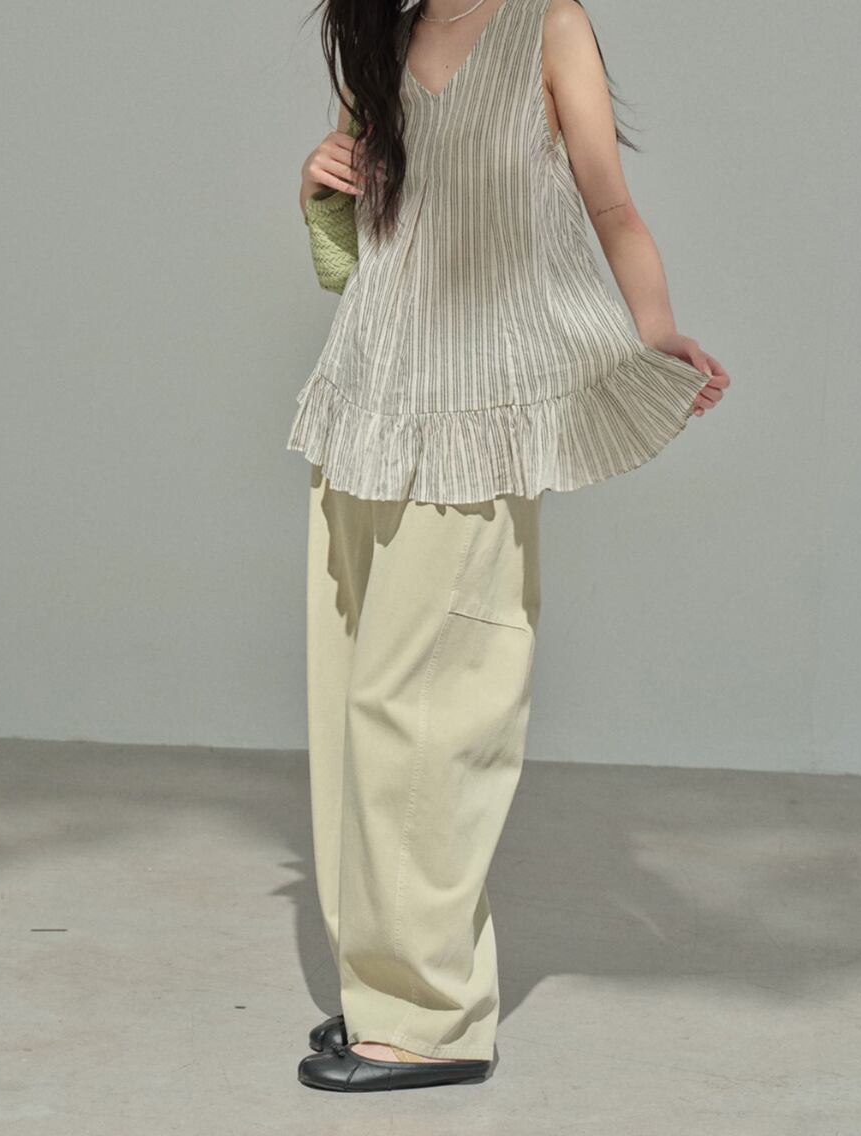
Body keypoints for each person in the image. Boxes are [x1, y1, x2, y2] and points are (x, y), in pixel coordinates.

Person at [287, 0, 730, 1092]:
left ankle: (431, 1018)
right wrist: (316, 188)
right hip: (363, 409)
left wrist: (654, 333)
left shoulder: (546, 23)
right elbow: (356, 252)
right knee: (351, 711)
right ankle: (379, 990)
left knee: (431, 714)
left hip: (470, 422)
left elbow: (607, 202)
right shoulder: (379, 38)